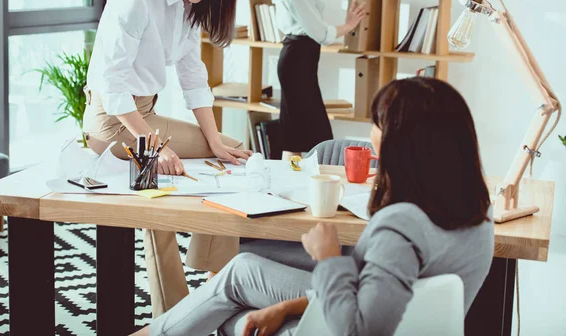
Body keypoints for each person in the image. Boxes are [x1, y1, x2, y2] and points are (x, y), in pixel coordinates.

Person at [132, 77, 495, 336]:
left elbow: (359, 328)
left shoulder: (401, 225)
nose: (370, 133)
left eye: (376, 123)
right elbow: (382, 294)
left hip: (340, 324)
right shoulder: (477, 211)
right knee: (242, 268)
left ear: (402, 142)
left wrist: (329, 257)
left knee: (238, 294)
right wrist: (287, 306)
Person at [82, 0, 252, 317]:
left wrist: (214, 141)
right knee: (156, 189)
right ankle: (172, 314)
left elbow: (193, 78)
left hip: (144, 116)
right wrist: (152, 144)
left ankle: (215, 276)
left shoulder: (189, 8)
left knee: (231, 149)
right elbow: (112, 88)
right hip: (111, 121)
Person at [273, 0, 367, 160]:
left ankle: (291, 186)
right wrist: (349, 25)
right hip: (297, 61)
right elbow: (320, 33)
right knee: (319, 137)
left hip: (299, 60)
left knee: (294, 134)